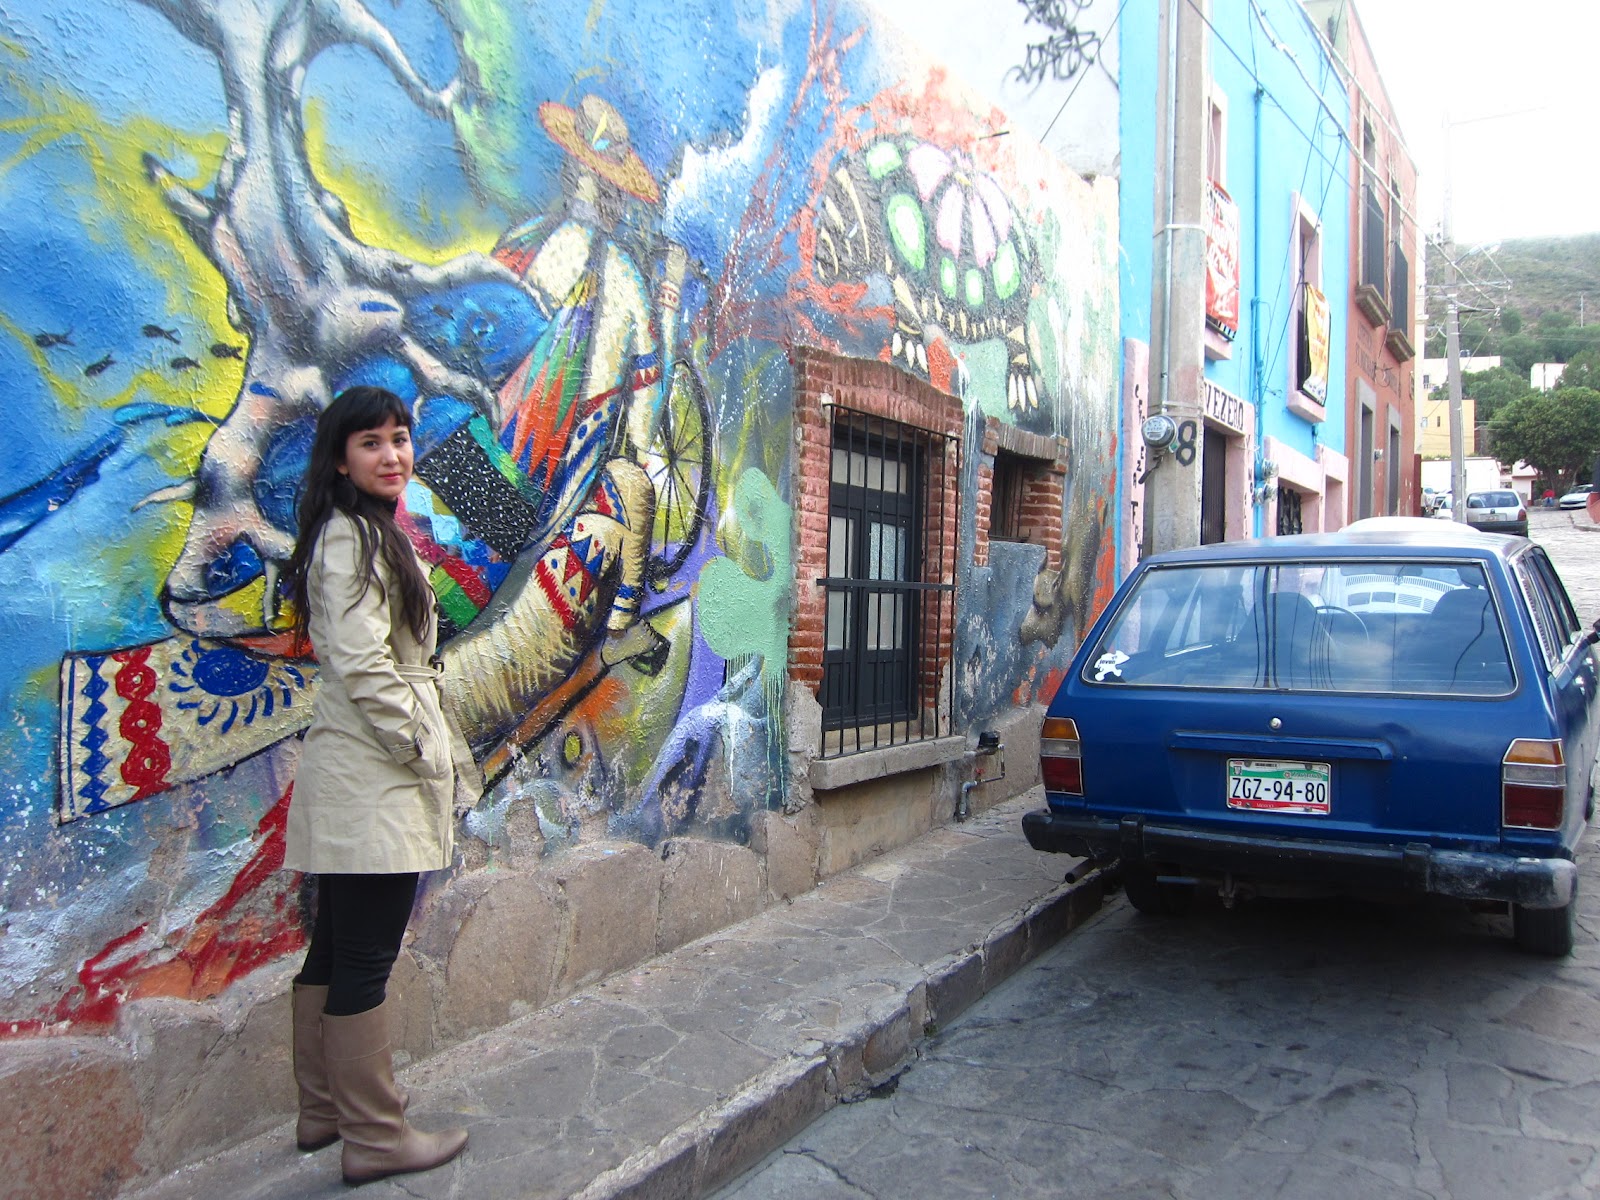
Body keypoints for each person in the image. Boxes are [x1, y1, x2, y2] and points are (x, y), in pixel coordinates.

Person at [282, 386, 470, 1185]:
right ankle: (376, 1135)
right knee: (365, 956)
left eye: (400, 438)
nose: (392, 454)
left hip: (358, 769)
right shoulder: (350, 541)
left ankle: (324, 1111)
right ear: (339, 457)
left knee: (332, 946)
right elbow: (364, 665)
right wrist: (425, 749)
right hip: (377, 773)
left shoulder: (361, 533)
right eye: (372, 442)